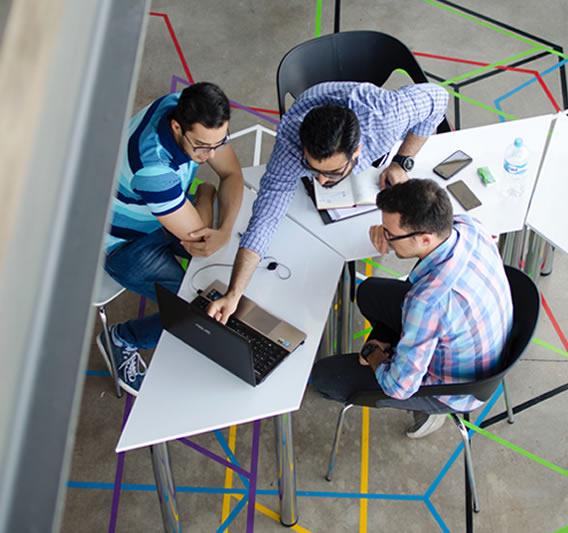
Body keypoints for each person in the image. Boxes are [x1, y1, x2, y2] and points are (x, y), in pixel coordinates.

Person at [206, 81, 449, 324]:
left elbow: (439, 98)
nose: (321, 181)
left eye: (332, 173)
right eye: (312, 169)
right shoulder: (290, 144)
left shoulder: (386, 117)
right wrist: (234, 293)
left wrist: (402, 160)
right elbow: (265, 219)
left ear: (357, 152)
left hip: (369, 110)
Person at [310, 179, 513, 438]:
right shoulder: (468, 226)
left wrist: (374, 353)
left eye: (390, 234)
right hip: (479, 340)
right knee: (369, 292)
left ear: (425, 238)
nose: (385, 238)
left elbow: (398, 386)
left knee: (325, 377)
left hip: (454, 388)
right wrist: (388, 234)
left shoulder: (427, 302)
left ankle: (429, 412)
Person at [97, 82, 244, 395]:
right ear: (177, 127)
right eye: (203, 147)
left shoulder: (184, 106)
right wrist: (205, 195)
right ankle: (123, 338)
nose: (212, 154)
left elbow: (232, 174)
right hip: (124, 244)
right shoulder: (153, 169)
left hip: (161, 213)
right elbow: (202, 242)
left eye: (220, 143)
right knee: (194, 310)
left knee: (225, 262)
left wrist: (225, 229)